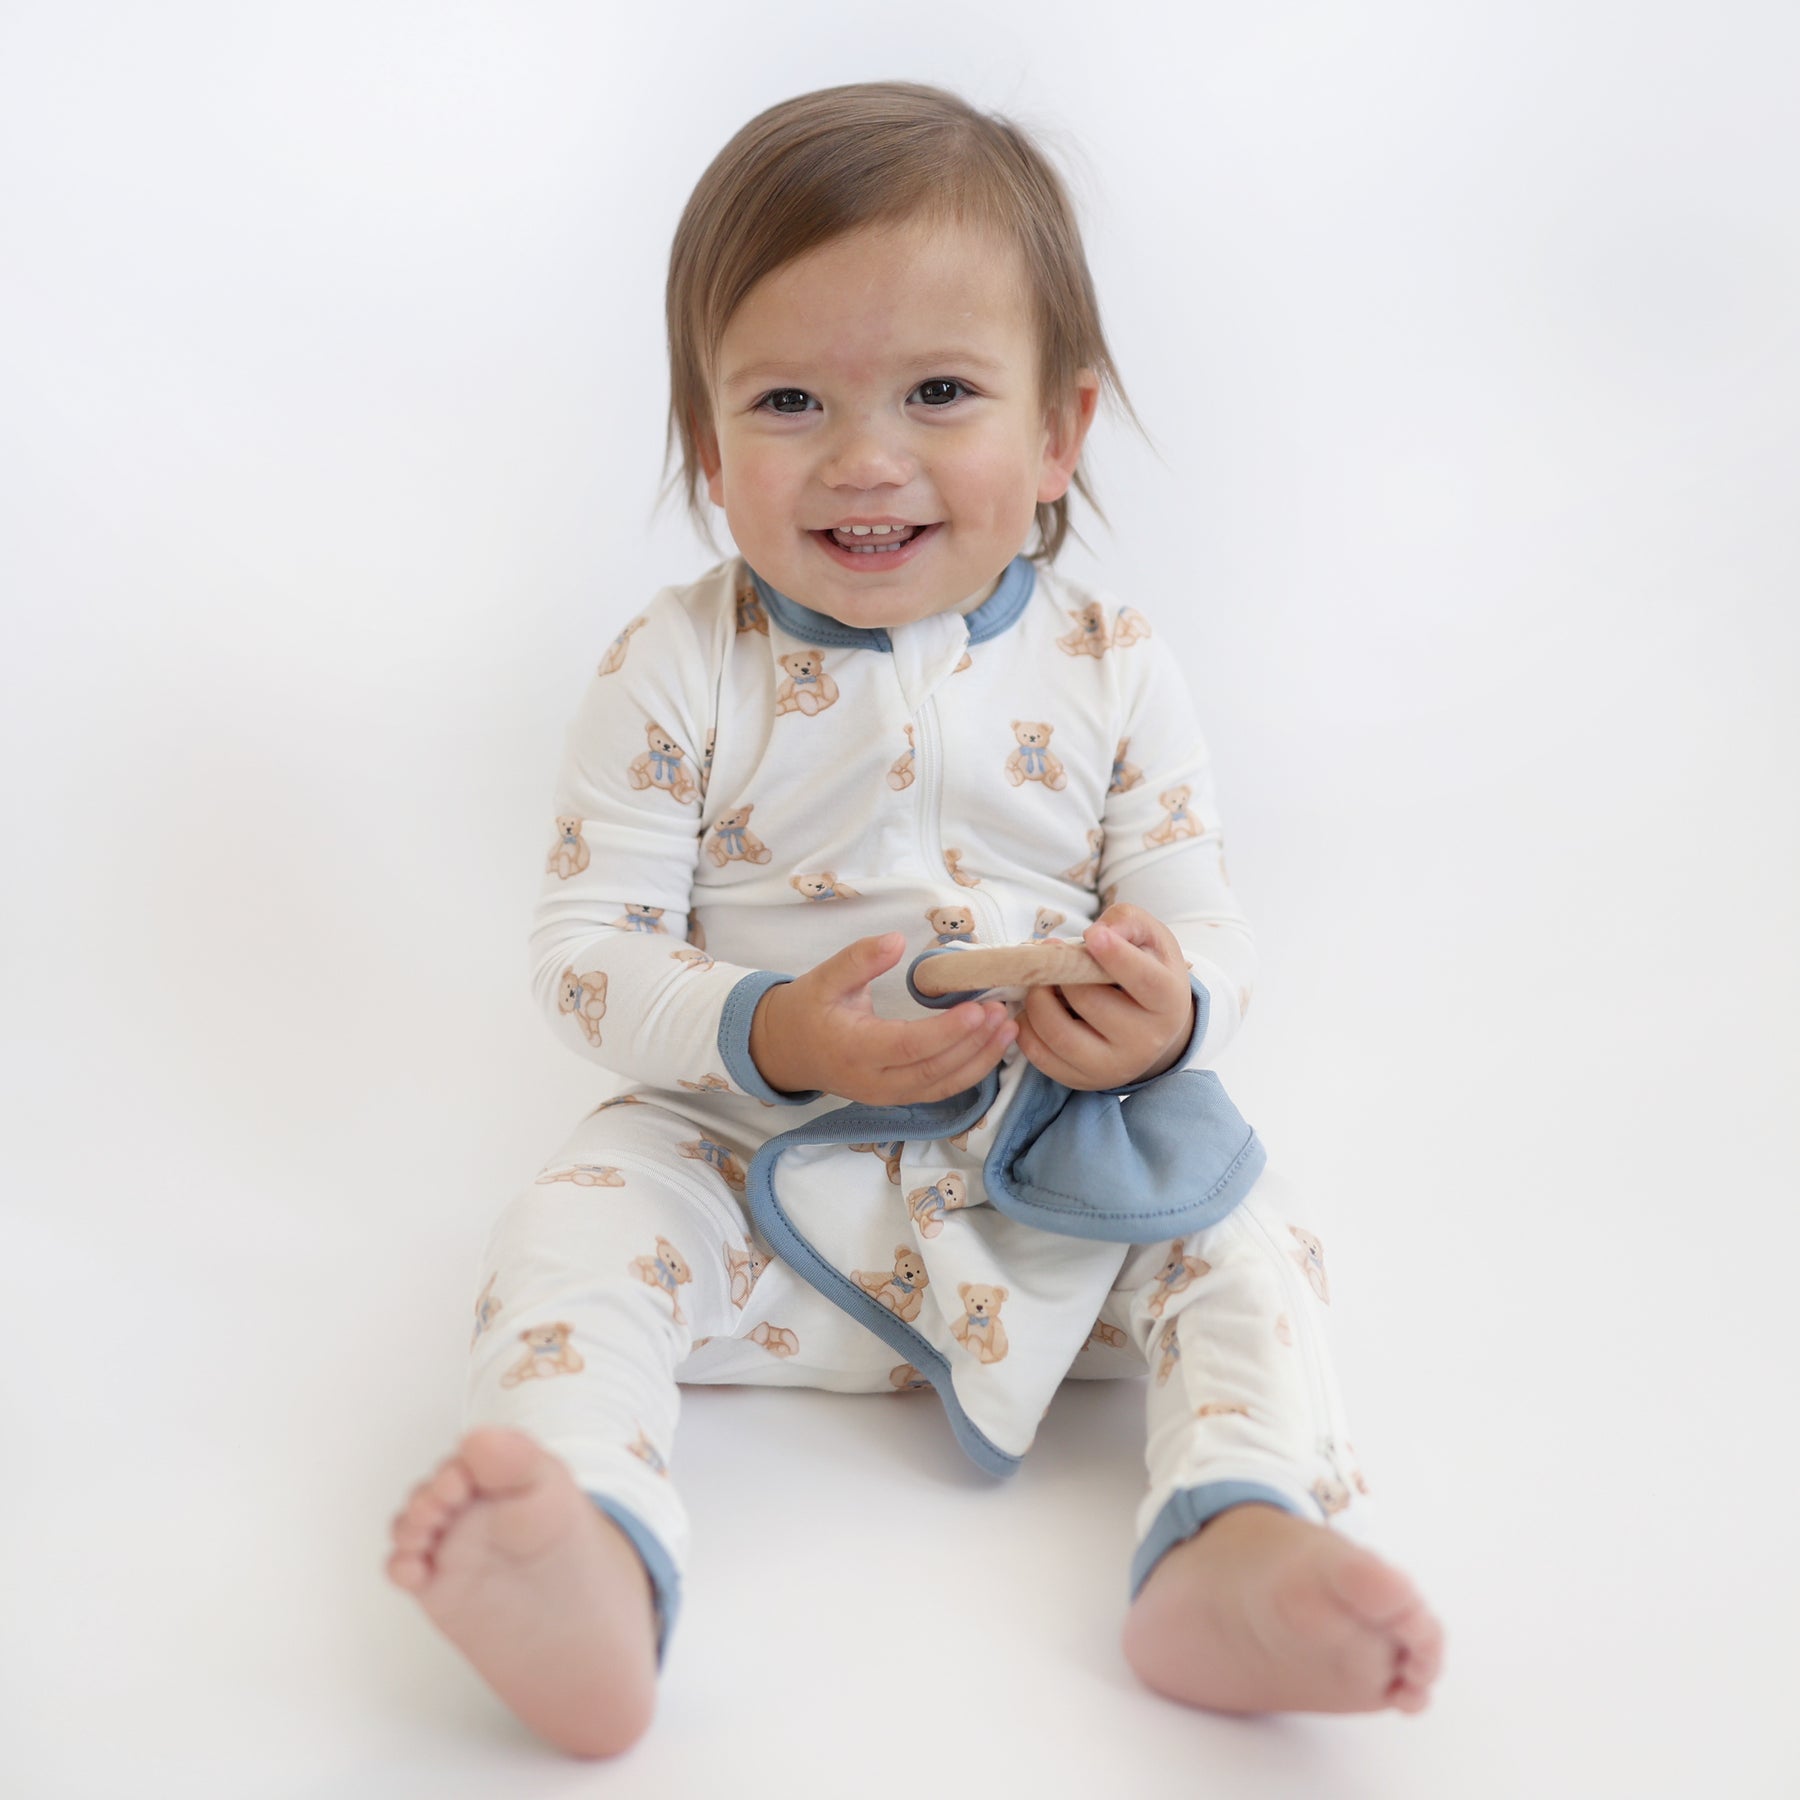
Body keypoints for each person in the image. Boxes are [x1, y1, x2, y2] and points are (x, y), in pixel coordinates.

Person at [384, 80, 1444, 1757]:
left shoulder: (1114, 665)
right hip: (749, 1169)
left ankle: (1236, 1534)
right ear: (709, 447)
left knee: (1251, 1240)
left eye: (941, 393)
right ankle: (585, 1537)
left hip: (1046, 1178)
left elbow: (1201, 913)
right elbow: (583, 952)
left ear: (1058, 435)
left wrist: (1174, 1016)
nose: (865, 459)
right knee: (575, 1222)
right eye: (790, 399)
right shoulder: (675, 665)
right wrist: (772, 1029)